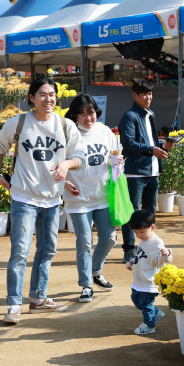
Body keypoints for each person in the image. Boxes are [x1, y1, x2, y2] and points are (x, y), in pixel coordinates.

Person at [0, 76, 85, 324]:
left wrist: (66, 166)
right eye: (42, 94)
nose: (48, 99)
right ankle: (13, 304)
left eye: (52, 94)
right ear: (32, 98)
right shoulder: (19, 123)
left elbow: (79, 156)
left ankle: (39, 299)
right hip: (23, 197)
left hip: (52, 199)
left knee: (47, 250)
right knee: (20, 252)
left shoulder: (66, 126)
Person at [63, 94, 122, 303]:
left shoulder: (106, 132)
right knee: (84, 242)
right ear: (75, 115)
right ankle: (86, 284)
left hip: (102, 196)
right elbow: (56, 163)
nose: (89, 118)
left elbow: (115, 161)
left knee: (109, 238)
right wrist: (63, 184)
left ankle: (95, 272)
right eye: (83, 114)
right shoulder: (68, 134)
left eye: (92, 112)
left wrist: (118, 162)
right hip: (78, 199)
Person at [118, 79, 173, 263]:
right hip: (135, 172)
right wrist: (152, 150)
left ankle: (148, 247)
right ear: (135, 95)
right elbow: (128, 143)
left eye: (150, 94)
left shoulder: (150, 114)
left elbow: (150, 141)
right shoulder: (129, 116)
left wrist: (163, 145)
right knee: (132, 212)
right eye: (144, 94)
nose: (148, 97)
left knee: (150, 211)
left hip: (152, 171)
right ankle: (129, 249)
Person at [125, 209, 172, 335]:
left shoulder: (156, 242)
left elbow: (159, 261)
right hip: (140, 279)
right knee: (136, 299)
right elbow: (141, 256)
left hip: (150, 280)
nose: (139, 235)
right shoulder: (144, 241)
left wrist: (166, 254)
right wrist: (132, 262)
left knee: (145, 304)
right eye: (136, 232)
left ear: (152, 227)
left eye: (142, 232)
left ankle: (149, 325)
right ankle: (155, 313)